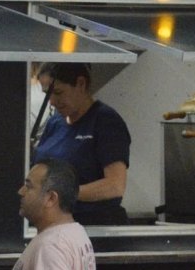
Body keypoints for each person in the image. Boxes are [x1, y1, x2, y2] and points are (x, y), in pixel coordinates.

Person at [32, 62, 130, 225]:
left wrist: (64, 193)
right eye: (47, 94)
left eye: (58, 92)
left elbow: (115, 185)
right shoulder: (55, 122)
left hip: (93, 226)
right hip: (55, 225)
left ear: (81, 84)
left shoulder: (105, 121)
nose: (52, 101)